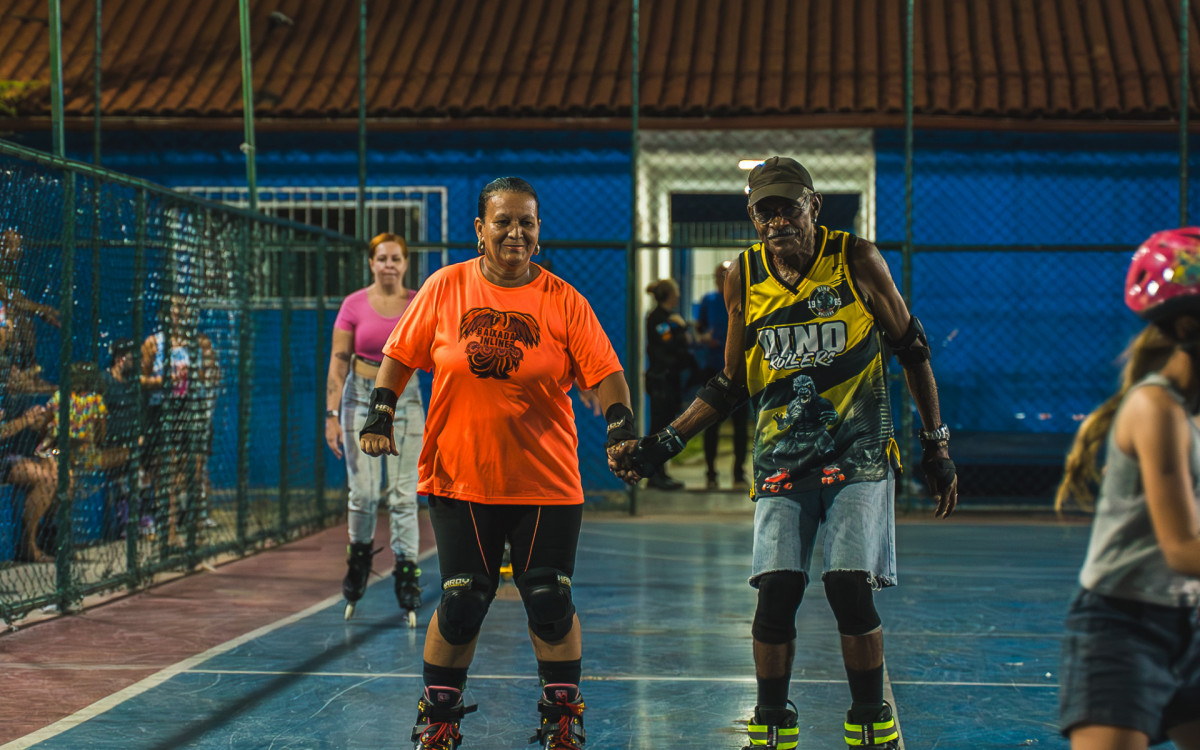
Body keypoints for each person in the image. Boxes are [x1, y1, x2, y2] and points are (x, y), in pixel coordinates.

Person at [610, 156, 958, 750]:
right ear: (752, 218)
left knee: (849, 587)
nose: (777, 222)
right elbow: (731, 381)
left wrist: (935, 445)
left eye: (788, 208)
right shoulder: (743, 275)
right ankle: (773, 717)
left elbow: (913, 348)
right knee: (776, 592)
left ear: (813, 206)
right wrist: (663, 444)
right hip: (783, 458)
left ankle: (870, 715)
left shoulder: (855, 259)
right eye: (764, 211)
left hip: (860, 451)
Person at [359, 176, 633, 750]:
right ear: (480, 230)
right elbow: (399, 356)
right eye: (503, 221)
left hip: (546, 484)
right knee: (461, 602)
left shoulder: (562, 299)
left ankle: (562, 718)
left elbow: (607, 373)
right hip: (460, 478)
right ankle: (439, 720)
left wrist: (619, 429)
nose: (515, 232)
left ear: (539, 231)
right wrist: (379, 414)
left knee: (549, 601)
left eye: (526, 222)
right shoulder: (444, 287)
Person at [1055, 228, 1200, 750]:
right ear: (1187, 325)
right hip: (1123, 627)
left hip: (1191, 617)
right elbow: (1183, 548)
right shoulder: (1155, 408)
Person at [324, 232, 425, 622]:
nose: (389, 264)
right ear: (371, 262)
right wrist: (331, 415)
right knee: (364, 493)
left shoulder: (417, 303)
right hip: (359, 396)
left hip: (406, 398)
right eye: (382, 258)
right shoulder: (353, 305)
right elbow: (338, 360)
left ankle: (407, 572)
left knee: (402, 496)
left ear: (405, 263)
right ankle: (359, 558)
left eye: (396, 258)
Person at [140, 295, 217, 546]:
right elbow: (139, 380)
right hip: (163, 409)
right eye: (175, 308)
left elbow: (212, 375)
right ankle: (170, 530)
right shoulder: (153, 343)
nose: (180, 313)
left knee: (193, 468)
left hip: (190, 407)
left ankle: (195, 527)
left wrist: (195, 375)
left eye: (184, 308)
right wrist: (162, 381)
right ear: (166, 313)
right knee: (167, 470)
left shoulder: (200, 342)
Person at [696, 260, 749, 490]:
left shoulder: (746, 297)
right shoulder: (709, 301)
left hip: (740, 371)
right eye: (721, 276)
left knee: (740, 425)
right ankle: (711, 473)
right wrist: (703, 338)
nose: (724, 280)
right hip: (714, 368)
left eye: (728, 275)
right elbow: (699, 328)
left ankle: (738, 473)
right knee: (710, 422)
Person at [643, 277, 693, 491]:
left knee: (665, 428)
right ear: (668, 295)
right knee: (659, 429)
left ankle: (661, 472)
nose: (679, 296)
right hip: (661, 380)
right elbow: (669, 346)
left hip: (669, 379)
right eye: (676, 292)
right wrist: (681, 329)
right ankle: (654, 474)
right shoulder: (658, 318)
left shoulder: (667, 317)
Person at [100, 338, 141, 540]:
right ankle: (127, 520)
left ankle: (139, 516)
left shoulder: (132, 384)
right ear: (119, 359)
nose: (134, 363)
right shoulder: (105, 381)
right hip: (110, 444)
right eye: (131, 358)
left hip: (131, 442)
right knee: (125, 465)